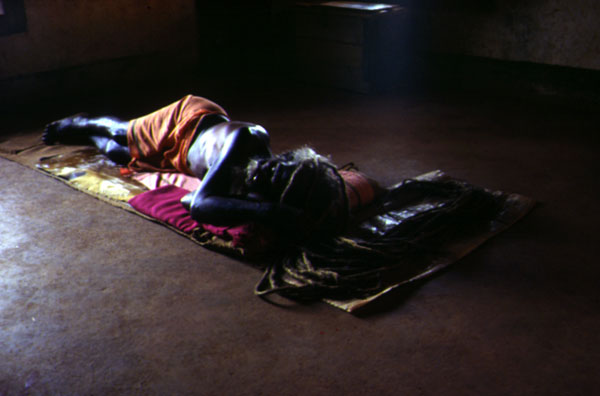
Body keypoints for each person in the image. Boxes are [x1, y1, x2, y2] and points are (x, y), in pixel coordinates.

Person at [43, 95, 356, 239]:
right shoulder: (248, 139)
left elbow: (195, 201)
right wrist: (269, 213)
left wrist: (280, 211)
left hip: (183, 158)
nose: (270, 172)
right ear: (287, 158)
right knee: (121, 132)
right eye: (282, 167)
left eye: (279, 184)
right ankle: (82, 121)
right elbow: (197, 203)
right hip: (187, 122)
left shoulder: (261, 189)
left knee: (118, 155)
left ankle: (85, 134)